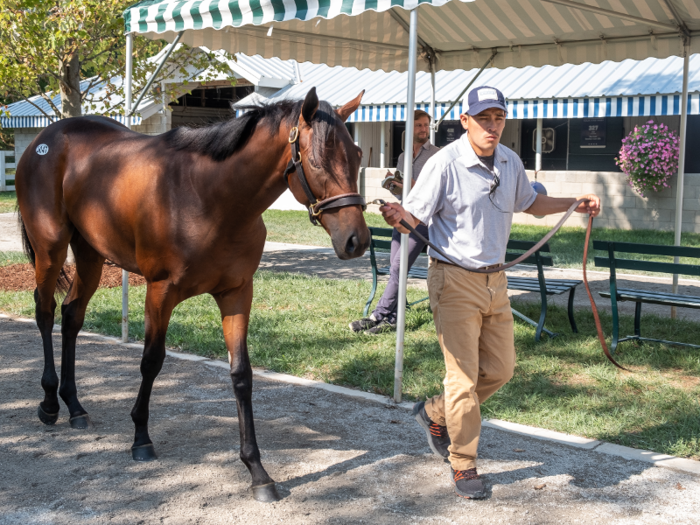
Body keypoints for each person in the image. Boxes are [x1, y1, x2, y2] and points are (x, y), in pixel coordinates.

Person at [379, 86, 601, 499]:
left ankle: (434, 412)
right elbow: (414, 214)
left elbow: (531, 203)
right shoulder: (445, 163)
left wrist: (575, 202)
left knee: (500, 370)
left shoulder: (509, 160)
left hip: (496, 282)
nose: (492, 126)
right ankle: (463, 464)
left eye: (498, 118)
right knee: (461, 379)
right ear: (465, 122)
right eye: (484, 118)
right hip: (454, 279)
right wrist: (398, 216)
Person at [349, 110, 440, 334]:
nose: (423, 129)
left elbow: (433, 192)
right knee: (395, 268)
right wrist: (393, 186)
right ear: (409, 129)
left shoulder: (437, 156)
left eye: (426, 125)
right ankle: (393, 319)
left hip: (422, 221)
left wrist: (408, 182)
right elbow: (404, 194)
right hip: (402, 215)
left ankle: (377, 315)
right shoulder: (402, 157)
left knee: (399, 266)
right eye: (418, 125)